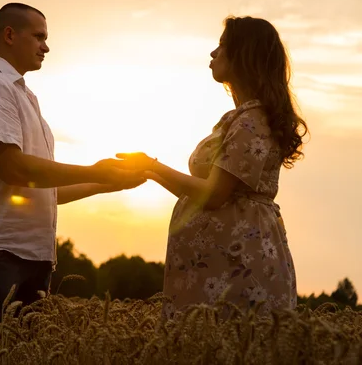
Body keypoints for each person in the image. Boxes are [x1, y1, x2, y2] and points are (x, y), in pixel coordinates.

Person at [0, 2, 145, 331]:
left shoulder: (24, 96)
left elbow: (43, 189)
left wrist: (113, 181)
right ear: (9, 35)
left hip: (30, 256)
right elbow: (13, 169)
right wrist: (95, 170)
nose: (46, 46)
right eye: (39, 36)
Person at [116, 16, 308, 317]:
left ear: (244, 55)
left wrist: (151, 167)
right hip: (219, 268)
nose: (213, 53)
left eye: (222, 46)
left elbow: (215, 194)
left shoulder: (252, 120)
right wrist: (150, 171)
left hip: (236, 267)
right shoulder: (243, 117)